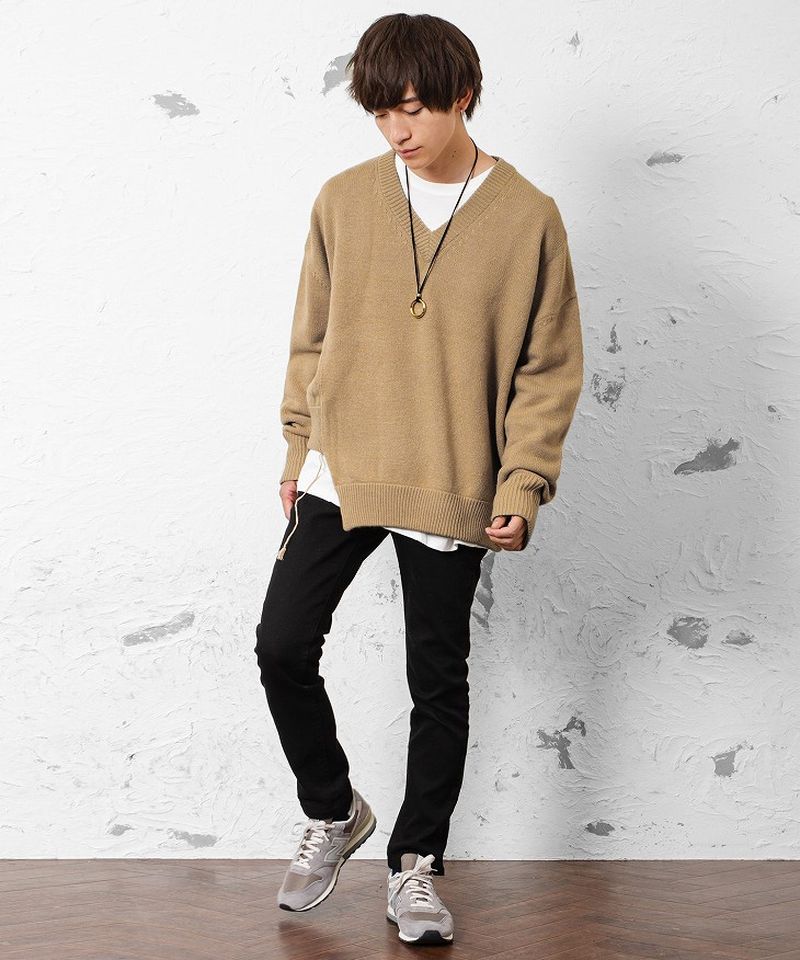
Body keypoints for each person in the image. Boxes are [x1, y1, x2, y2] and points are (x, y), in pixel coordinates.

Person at [253, 12, 584, 947]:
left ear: (461, 94)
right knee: (282, 646)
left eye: (412, 109)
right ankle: (333, 810)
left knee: (436, 680)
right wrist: (297, 451)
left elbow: (548, 369)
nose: (398, 131)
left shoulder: (528, 218)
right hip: (341, 467)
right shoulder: (344, 200)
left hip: (451, 475)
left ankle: (416, 865)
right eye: (380, 114)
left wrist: (522, 484)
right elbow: (310, 338)